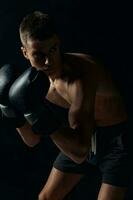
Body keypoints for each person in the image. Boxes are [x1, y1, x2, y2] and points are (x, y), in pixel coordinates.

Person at [0, 11, 129, 200]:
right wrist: (8, 108)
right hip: (82, 135)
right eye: (39, 55)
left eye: (53, 49)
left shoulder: (80, 76)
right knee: (46, 198)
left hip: (117, 141)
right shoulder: (33, 83)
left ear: (58, 42)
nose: (49, 61)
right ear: (25, 53)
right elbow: (32, 140)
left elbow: (79, 153)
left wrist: (37, 112)